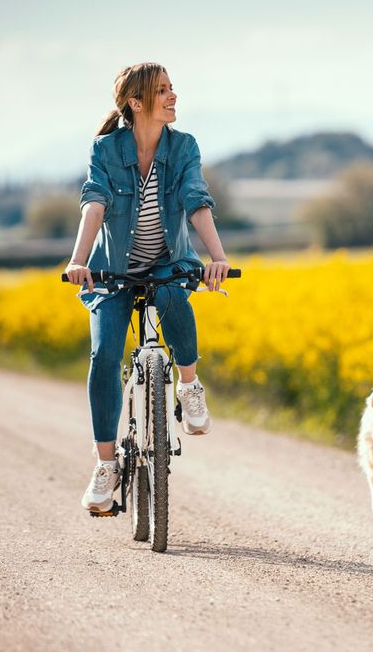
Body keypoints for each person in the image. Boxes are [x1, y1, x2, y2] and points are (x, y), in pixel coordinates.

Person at [64, 62, 231, 513]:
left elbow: (196, 202)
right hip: (111, 273)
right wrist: (79, 261)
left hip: (165, 265)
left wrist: (217, 258)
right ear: (136, 103)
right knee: (104, 355)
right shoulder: (106, 149)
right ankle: (105, 466)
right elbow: (94, 203)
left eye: (172, 88)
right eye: (162, 90)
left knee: (175, 294)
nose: (173, 96)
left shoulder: (184, 148)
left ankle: (189, 386)